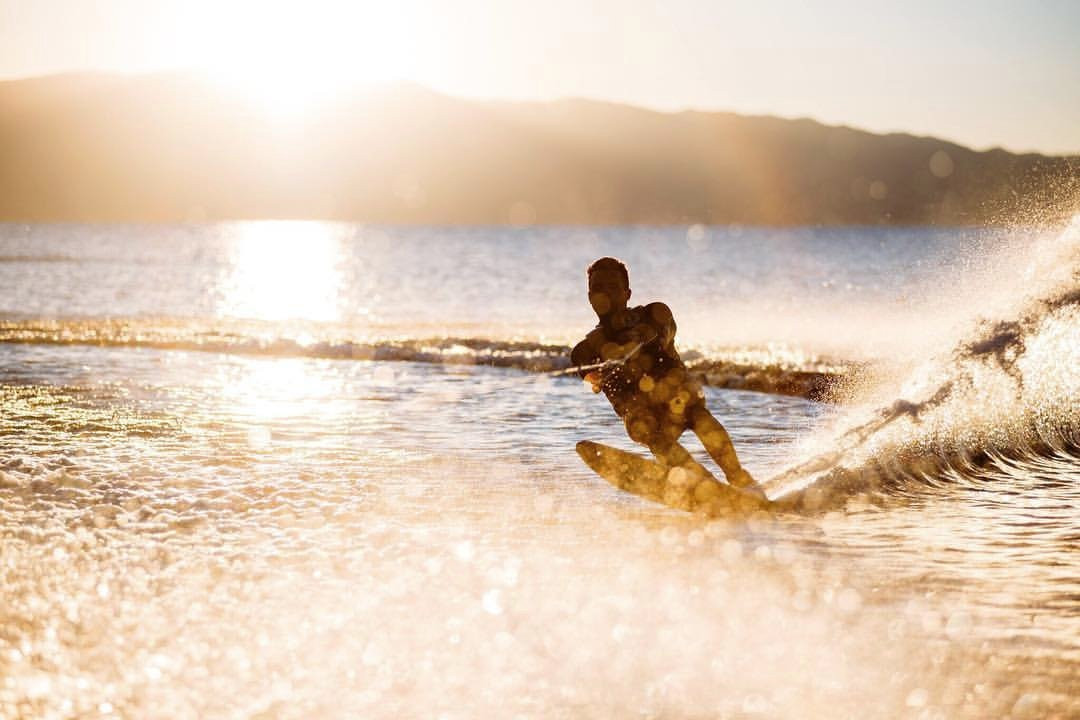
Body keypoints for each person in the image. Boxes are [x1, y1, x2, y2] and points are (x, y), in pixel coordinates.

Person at [571, 256, 762, 494]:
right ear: (589, 297)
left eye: (613, 287)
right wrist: (604, 359)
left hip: (678, 401)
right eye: (598, 288)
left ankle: (739, 479)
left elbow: (662, 330)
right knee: (650, 433)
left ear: (627, 293)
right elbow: (591, 376)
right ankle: (705, 484)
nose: (606, 294)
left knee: (696, 413)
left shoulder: (654, 313)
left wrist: (634, 339)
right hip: (646, 419)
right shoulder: (585, 350)